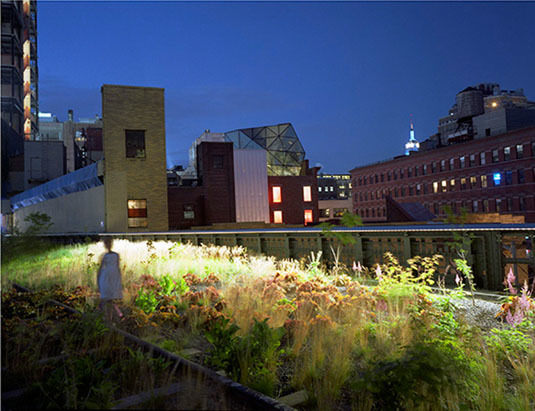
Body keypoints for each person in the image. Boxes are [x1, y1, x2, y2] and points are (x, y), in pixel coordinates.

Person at [97, 237, 124, 322]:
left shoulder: (115, 255)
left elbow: (118, 268)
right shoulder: (105, 256)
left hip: (113, 277)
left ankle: (111, 317)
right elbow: (100, 268)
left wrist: (119, 280)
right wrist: (98, 279)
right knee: (107, 298)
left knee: (109, 299)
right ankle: (114, 316)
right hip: (106, 277)